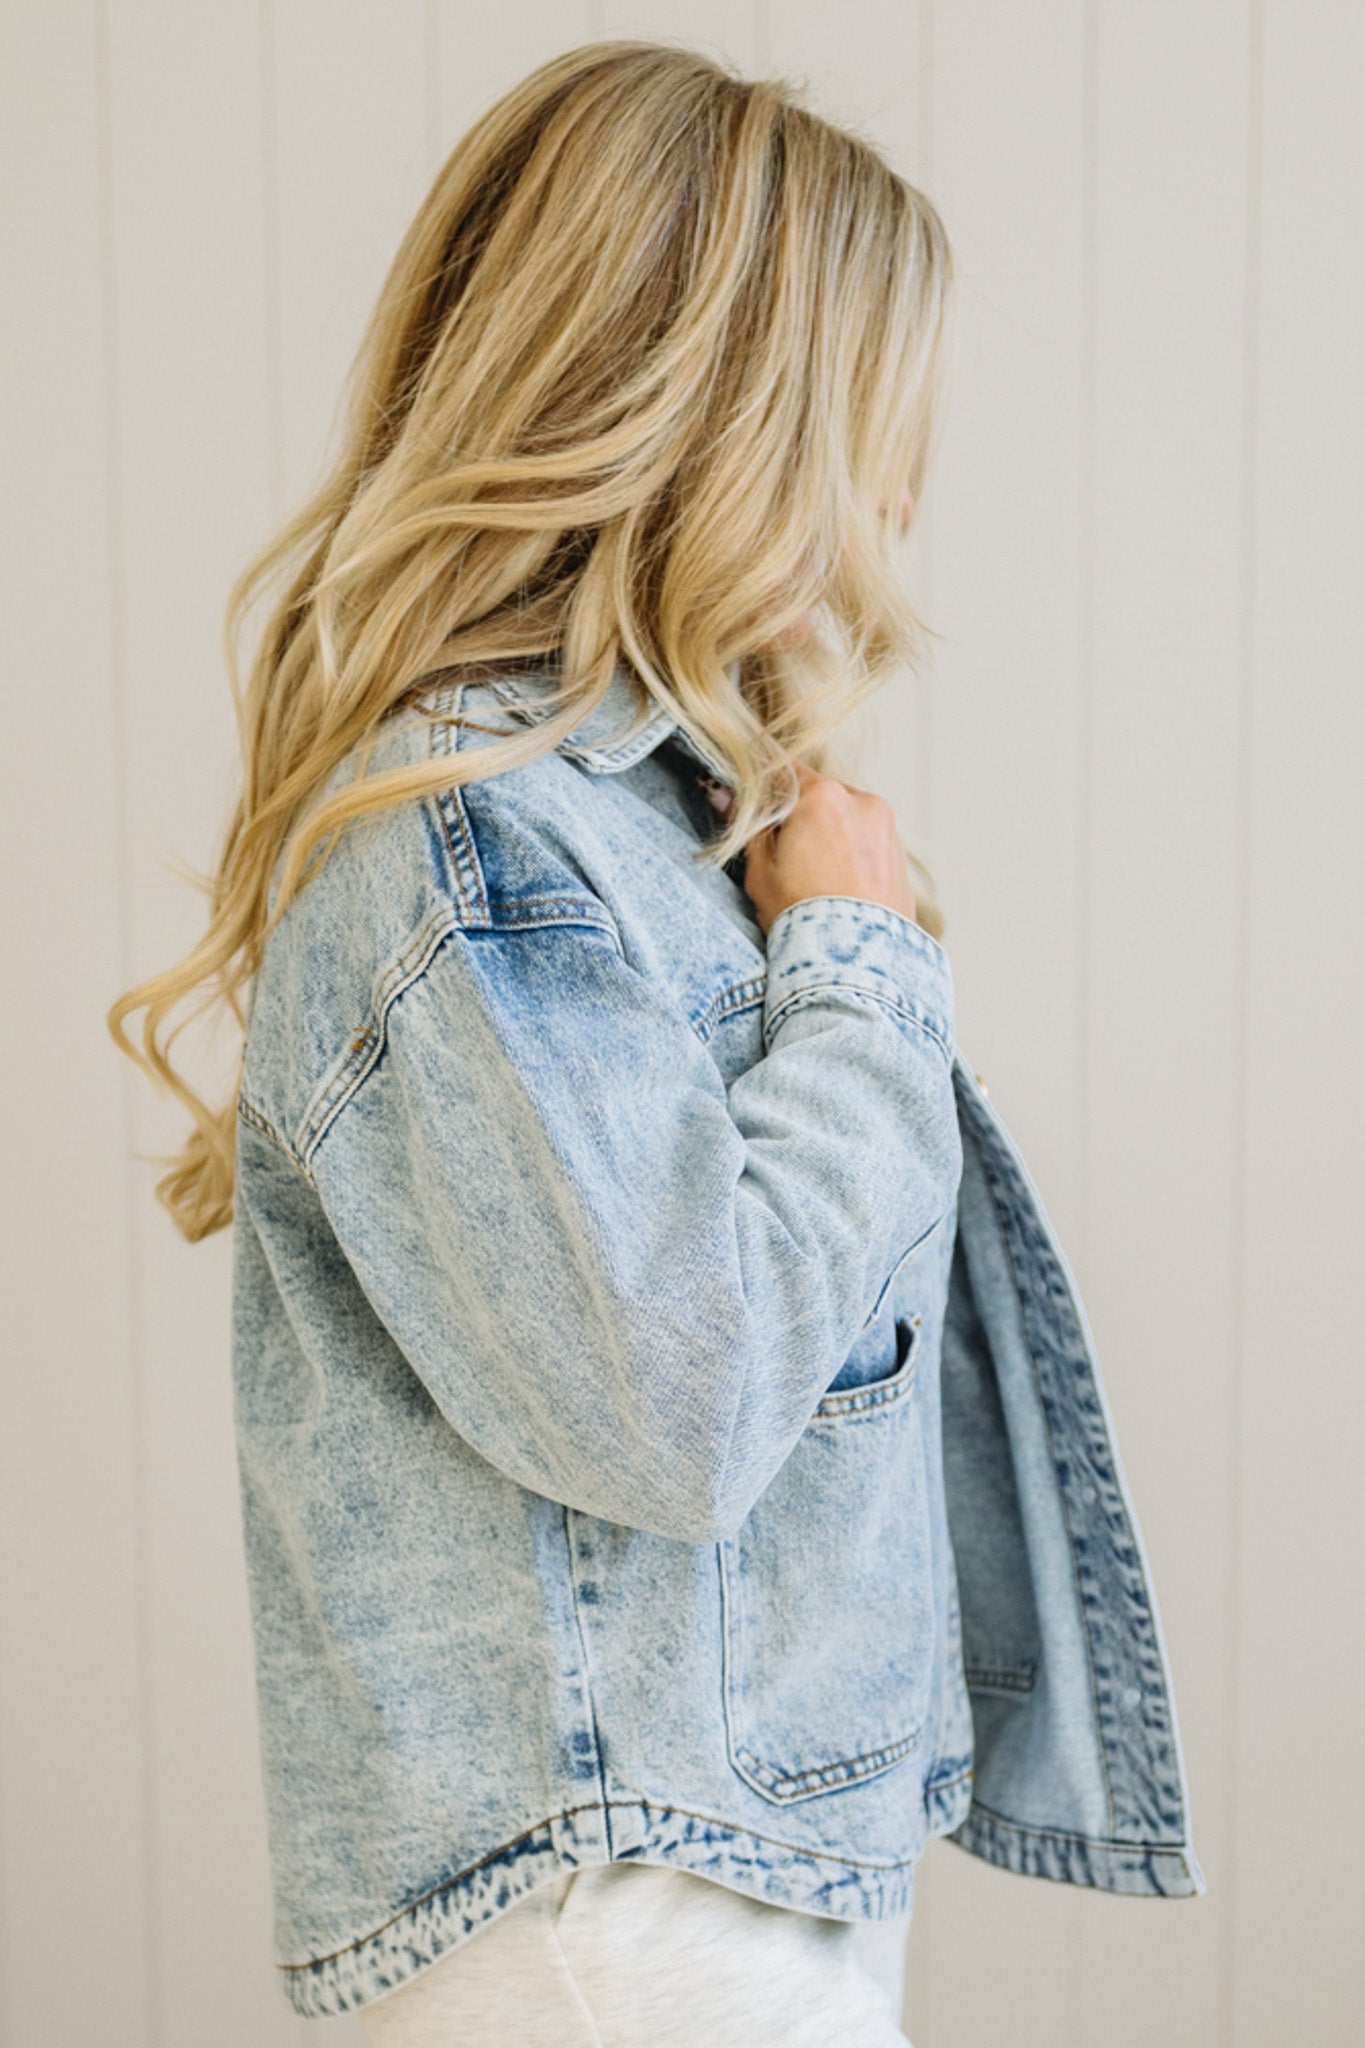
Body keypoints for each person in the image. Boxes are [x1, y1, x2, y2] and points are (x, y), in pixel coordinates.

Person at [107, 38, 1203, 2046]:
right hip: (618, 1935)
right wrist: (854, 958)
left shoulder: (625, 824)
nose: (896, 498)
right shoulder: (470, 830)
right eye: (871, 434)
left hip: (691, 1898)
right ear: (710, 420)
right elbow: (681, 1391)